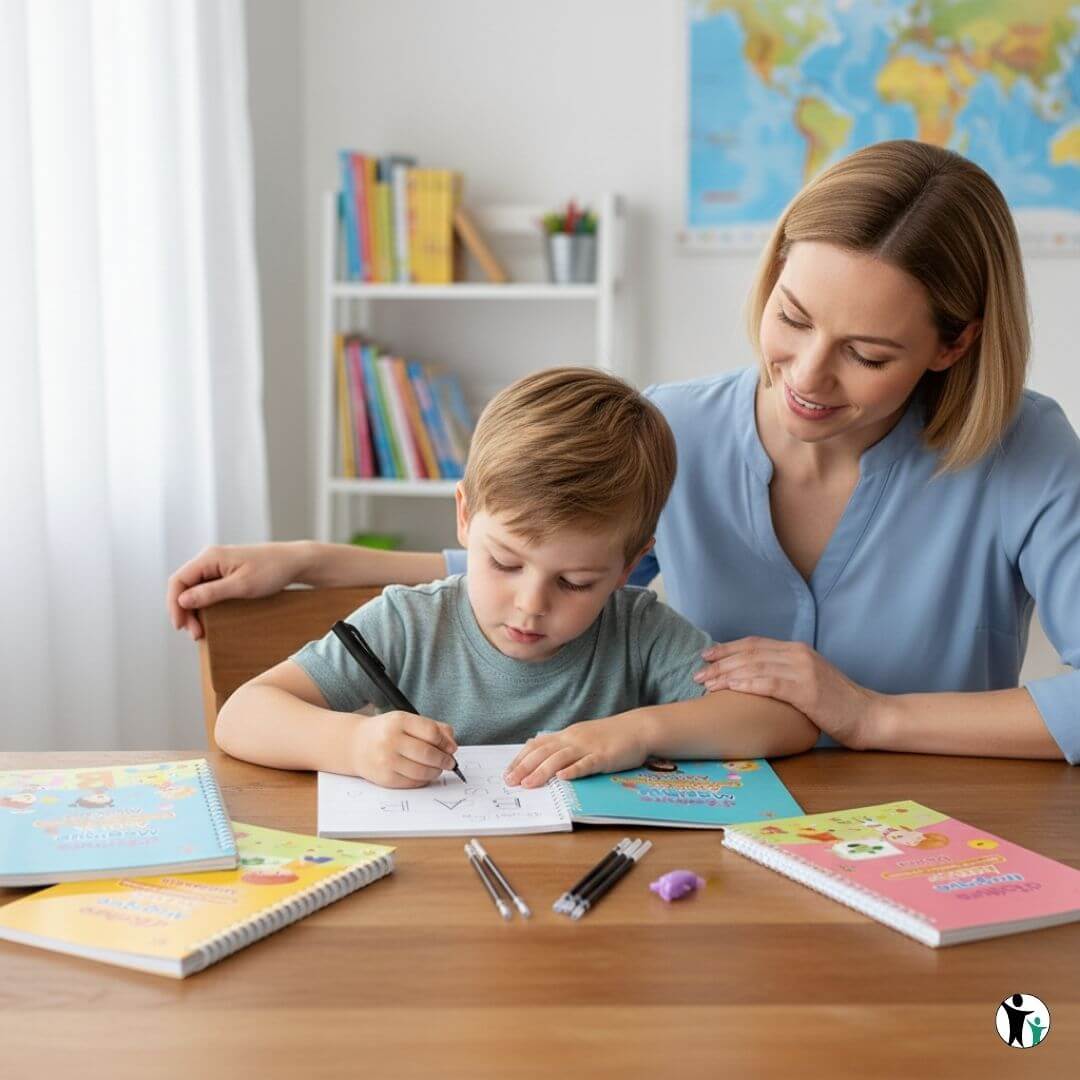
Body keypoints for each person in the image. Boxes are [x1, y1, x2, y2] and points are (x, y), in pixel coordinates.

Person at [171, 141, 1080, 764]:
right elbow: (560, 559)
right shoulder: (674, 427)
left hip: (935, 825)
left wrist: (872, 716)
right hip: (721, 832)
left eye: (869, 354)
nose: (806, 375)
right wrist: (310, 559)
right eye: (791, 318)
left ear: (952, 345)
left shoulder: (1026, 452)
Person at [212, 368, 816, 788]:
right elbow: (243, 715)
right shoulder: (408, 624)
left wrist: (635, 732)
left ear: (630, 566)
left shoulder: (639, 631)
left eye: (576, 582)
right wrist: (352, 745)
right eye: (505, 563)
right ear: (465, 518)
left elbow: (785, 722)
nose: (530, 606)